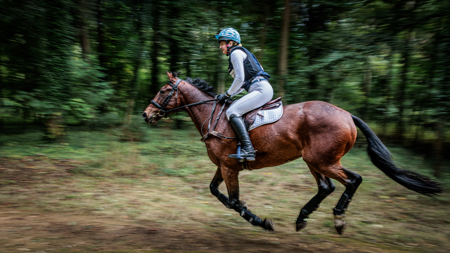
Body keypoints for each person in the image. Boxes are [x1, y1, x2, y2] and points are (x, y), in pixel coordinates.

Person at [215, 27, 274, 161]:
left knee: (232, 112)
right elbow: (242, 84)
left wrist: (227, 94)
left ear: (230, 43)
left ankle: (248, 150)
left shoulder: (235, 53)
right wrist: (229, 95)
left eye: (222, 43)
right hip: (260, 87)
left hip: (260, 89)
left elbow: (239, 79)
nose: (220, 47)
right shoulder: (243, 53)